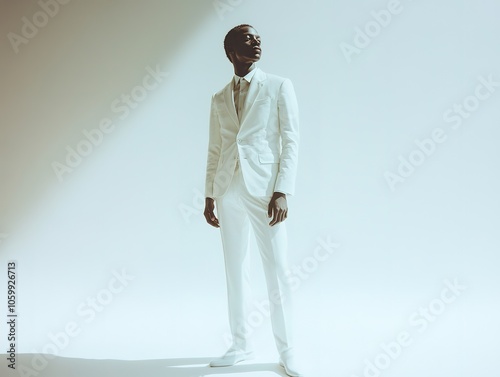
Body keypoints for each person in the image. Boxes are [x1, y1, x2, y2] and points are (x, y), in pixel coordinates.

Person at [203, 24, 302, 376]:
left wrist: (282, 190)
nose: (257, 41)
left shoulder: (277, 86)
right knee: (235, 270)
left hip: (265, 192)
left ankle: (288, 350)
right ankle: (240, 345)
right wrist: (209, 194)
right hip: (227, 188)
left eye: (258, 37)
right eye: (248, 38)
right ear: (231, 51)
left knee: (277, 269)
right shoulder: (218, 98)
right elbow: (215, 148)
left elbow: (291, 140)